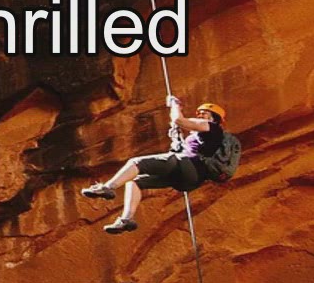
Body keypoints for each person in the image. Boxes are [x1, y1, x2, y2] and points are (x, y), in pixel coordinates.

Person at [81, 95, 230, 234]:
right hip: (191, 180)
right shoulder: (205, 136)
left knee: (136, 163)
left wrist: (175, 105)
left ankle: (107, 188)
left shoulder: (211, 126)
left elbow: (179, 120)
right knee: (134, 182)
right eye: (200, 113)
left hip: (188, 164)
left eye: (205, 113)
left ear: (214, 118)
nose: (200, 115)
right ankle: (126, 220)